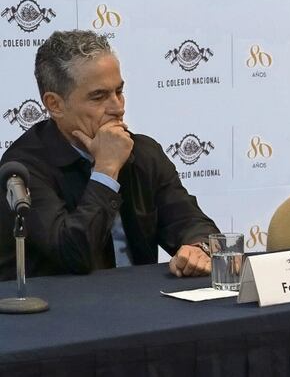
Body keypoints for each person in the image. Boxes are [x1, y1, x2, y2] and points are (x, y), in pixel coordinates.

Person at [0, 30, 219, 281]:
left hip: (143, 307)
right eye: (99, 96)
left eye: (119, 91)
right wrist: (106, 170)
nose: (118, 107)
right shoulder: (23, 167)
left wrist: (198, 248)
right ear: (55, 105)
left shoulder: (143, 153)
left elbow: (193, 224)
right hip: (56, 312)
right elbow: (73, 254)